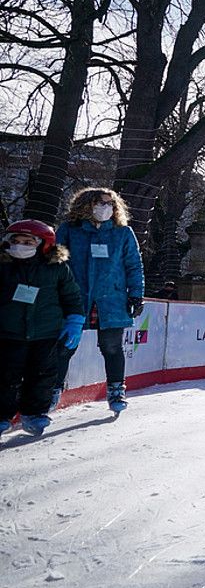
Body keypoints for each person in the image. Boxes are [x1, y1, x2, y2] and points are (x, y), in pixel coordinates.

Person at [55, 187, 145, 414]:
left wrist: (136, 294)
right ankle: (50, 389)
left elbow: (133, 265)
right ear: (87, 204)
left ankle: (116, 390)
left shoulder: (122, 233)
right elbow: (56, 263)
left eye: (109, 204)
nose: (105, 208)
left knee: (112, 347)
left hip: (112, 298)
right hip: (75, 297)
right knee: (64, 346)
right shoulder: (69, 230)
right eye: (100, 203)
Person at [0, 220, 83, 438]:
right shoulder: (4, 266)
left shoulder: (56, 268)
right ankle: (2, 415)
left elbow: (72, 296)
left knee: (42, 376)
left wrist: (75, 321)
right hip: (9, 332)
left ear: (44, 244)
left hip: (45, 334)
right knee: (6, 376)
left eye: (28, 241)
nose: (20, 245)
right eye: (15, 241)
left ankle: (34, 413)